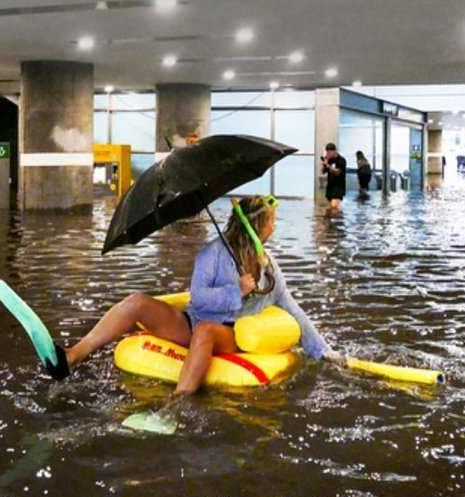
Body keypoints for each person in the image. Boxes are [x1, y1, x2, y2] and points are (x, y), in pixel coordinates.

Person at [45, 195, 345, 396]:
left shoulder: (268, 267)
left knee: (205, 329)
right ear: (259, 226)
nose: (274, 226)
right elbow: (198, 300)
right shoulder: (211, 254)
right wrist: (236, 291)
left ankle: (176, 406)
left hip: (227, 335)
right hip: (193, 322)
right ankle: (72, 356)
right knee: (136, 301)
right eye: (272, 221)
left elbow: (290, 307)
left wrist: (322, 350)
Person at [321, 143, 346, 210]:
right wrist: (325, 164)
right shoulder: (329, 160)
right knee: (330, 209)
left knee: (334, 209)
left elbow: (338, 172)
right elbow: (323, 172)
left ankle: (338, 219)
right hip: (330, 188)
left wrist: (328, 166)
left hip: (338, 189)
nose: (328, 154)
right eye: (327, 152)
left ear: (334, 151)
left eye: (329, 152)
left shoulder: (341, 160)